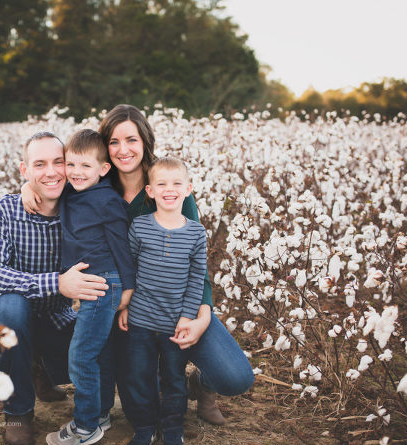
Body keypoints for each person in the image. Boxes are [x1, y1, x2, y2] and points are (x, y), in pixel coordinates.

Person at [22, 105, 255, 427]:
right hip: (124, 306)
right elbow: (53, 181)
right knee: (141, 411)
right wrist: (27, 188)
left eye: (130, 139)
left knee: (235, 377)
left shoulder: (167, 187)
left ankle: (202, 385)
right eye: (114, 142)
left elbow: (194, 261)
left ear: (145, 140)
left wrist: (202, 316)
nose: (123, 150)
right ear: (104, 153)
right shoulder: (93, 184)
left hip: (177, 301)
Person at [0, 131, 109, 445]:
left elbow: (106, 172)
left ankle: (39, 370)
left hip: (56, 317)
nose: (50, 172)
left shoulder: (79, 209)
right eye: (39, 165)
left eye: (58, 162)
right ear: (25, 171)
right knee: (12, 309)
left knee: (101, 362)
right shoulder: (5, 210)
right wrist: (57, 282)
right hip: (8, 315)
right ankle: (18, 413)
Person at [45, 129, 135, 445]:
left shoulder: (107, 200)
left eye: (85, 166)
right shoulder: (71, 191)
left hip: (103, 283)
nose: (76, 173)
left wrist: (127, 287)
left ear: (103, 169)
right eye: (71, 165)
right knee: (98, 351)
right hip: (87, 284)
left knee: (81, 354)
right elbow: (47, 190)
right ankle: (100, 414)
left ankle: (85, 426)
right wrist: (29, 187)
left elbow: (121, 245)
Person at [118, 157, 206, 445]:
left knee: (173, 380)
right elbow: (129, 269)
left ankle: (172, 430)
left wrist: (186, 317)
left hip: (174, 325)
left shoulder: (196, 233)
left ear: (189, 189)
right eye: (162, 184)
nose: (170, 190)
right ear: (150, 191)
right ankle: (145, 428)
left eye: (177, 184)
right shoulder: (140, 226)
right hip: (141, 320)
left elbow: (197, 280)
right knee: (139, 377)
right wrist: (125, 307)